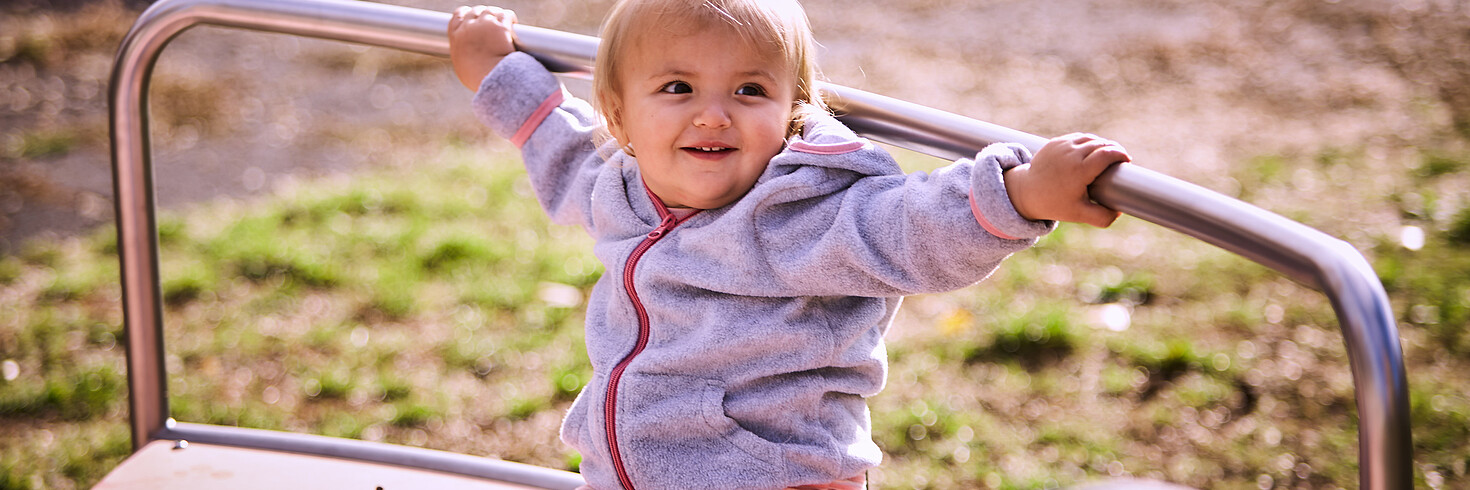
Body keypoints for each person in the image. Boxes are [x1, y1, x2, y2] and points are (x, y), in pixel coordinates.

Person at [447, 1, 1130, 488]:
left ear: (791, 111)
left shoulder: (800, 213)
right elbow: (561, 149)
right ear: (620, 115)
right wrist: (496, 74)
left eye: (749, 89)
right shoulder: (618, 187)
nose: (713, 112)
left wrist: (1021, 195)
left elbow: (911, 228)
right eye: (677, 87)